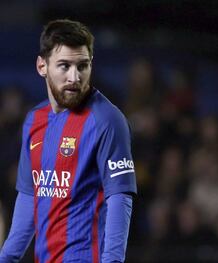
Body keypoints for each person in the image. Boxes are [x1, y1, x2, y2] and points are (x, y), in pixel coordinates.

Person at [0, 19, 137, 262]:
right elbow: (30, 194)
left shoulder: (107, 120)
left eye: (82, 66)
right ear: (42, 66)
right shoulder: (34, 121)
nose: (75, 77)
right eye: (64, 66)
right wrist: (8, 257)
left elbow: (119, 198)